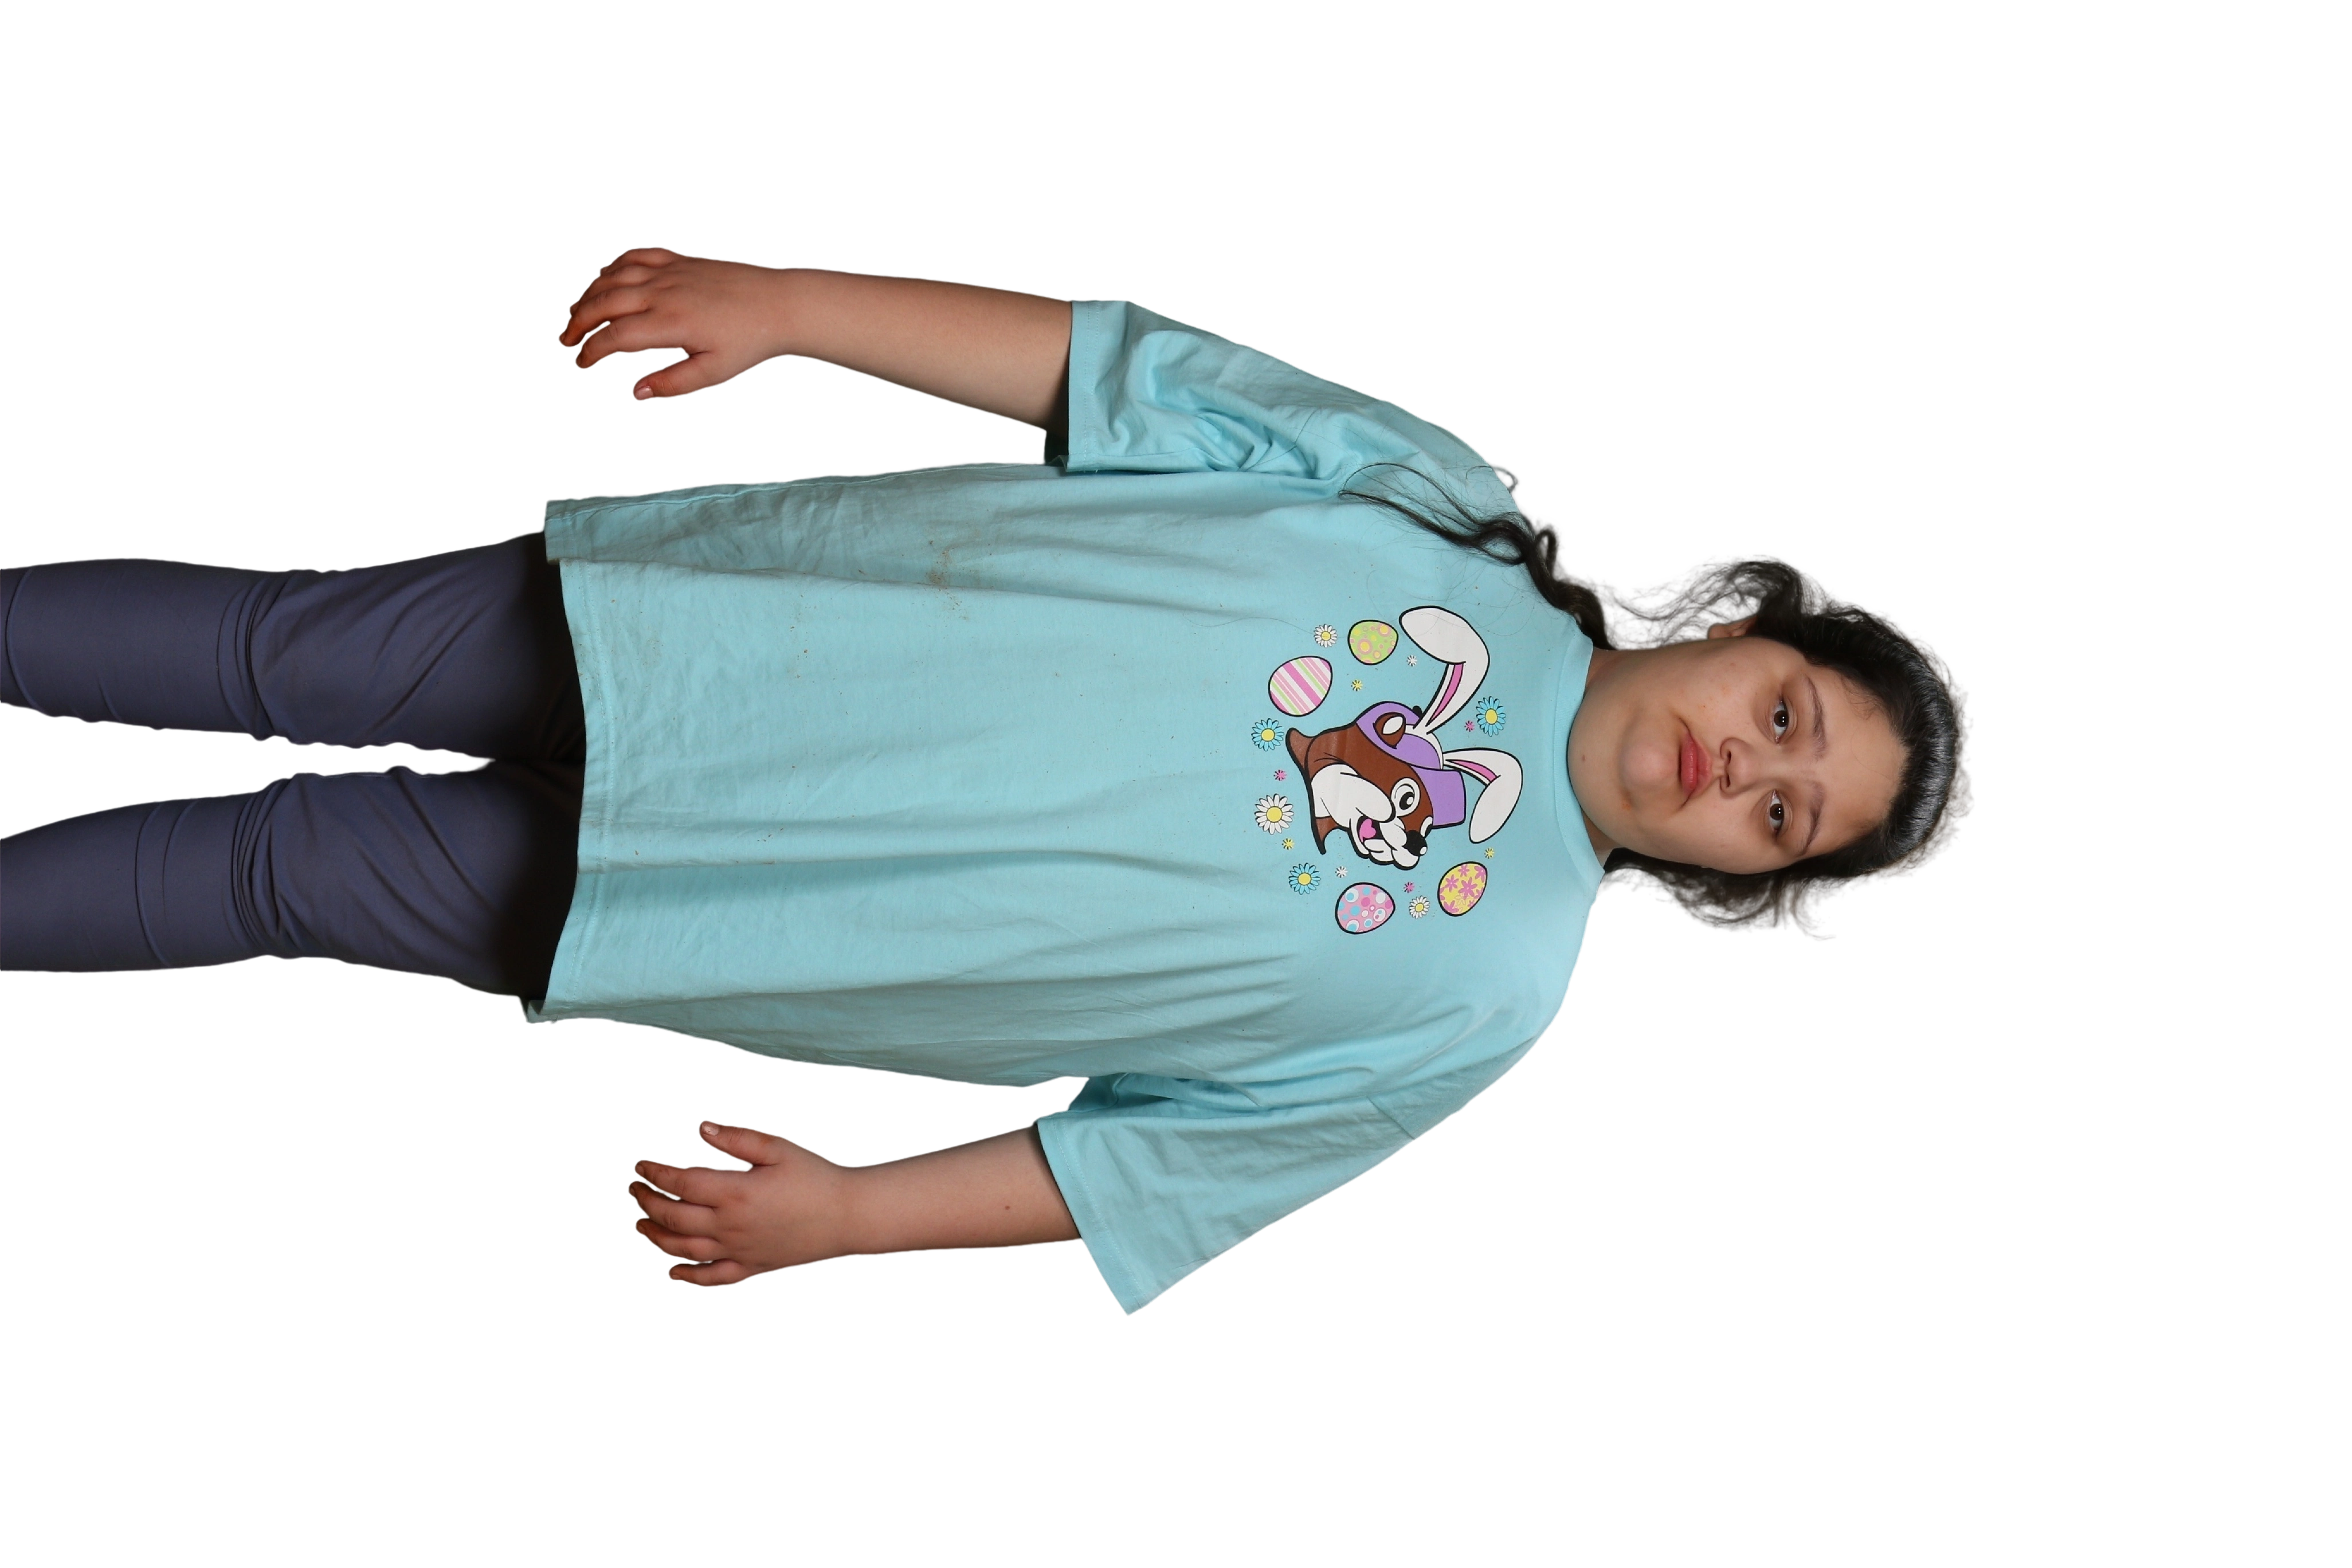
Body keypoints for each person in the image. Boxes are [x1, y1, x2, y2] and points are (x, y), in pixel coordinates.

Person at [0, 248, 1973, 1313]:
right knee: (277, 651)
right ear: (1744, 619)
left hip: (715, 906)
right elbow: (1104, 373)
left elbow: (1142, 1168)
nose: (1742, 766)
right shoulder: (1441, 503)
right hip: (708, 631)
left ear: (1736, 878)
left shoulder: (1483, 1005)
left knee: (278, 879)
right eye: (1788, 714)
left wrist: (850, 1225)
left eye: (1778, 817)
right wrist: (791, 310)